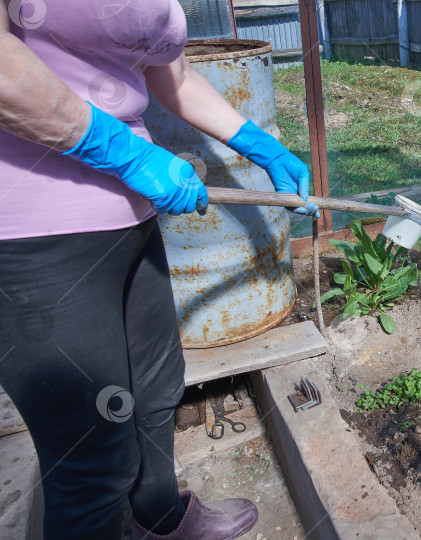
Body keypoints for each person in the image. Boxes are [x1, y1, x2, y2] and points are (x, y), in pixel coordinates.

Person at [0, 1, 318, 538]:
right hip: (34, 233)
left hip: (132, 217)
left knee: (155, 390)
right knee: (92, 456)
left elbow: (175, 75)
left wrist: (259, 145)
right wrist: (122, 150)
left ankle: (161, 519)